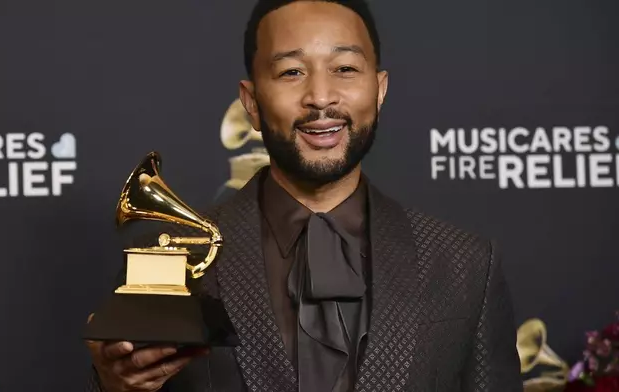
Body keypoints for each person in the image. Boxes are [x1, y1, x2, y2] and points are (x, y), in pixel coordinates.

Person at [84, 0, 523, 391]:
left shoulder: (465, 264)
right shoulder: (172, 266)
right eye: (291, 71)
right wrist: (114, 388)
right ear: (251, 102)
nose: (320, 97)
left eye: (345, 69)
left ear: (380, 89)